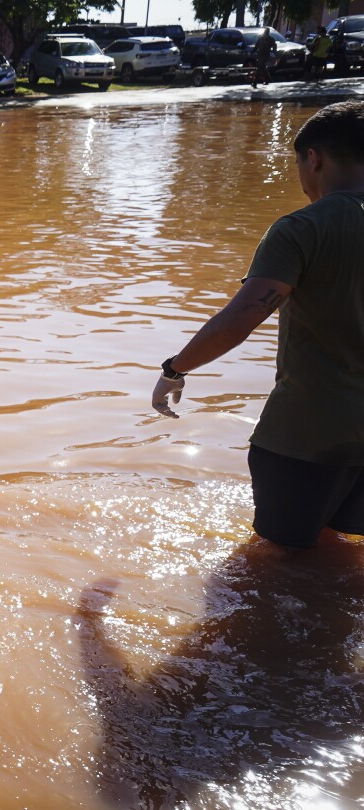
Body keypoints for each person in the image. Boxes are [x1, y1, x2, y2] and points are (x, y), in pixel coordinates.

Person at [150, 101, 364, 551]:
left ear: (315, 158)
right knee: (339, 551)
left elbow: (240, 320)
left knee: (279, 563)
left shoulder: (303, 228)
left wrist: (175, 369)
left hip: (307, 433)